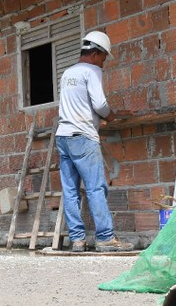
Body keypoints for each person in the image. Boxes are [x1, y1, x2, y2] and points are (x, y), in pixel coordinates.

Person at [55, 30, 133, 253]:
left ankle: (77, 240)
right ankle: (105, 238)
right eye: (104, 57)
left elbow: (78, 103)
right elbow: (99, 104)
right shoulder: (92, 70)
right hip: (83, 137)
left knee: (70, 191)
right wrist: (111, 116)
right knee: (95, 188)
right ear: (96, 54)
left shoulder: (68, 73)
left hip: (63, 136)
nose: (104, 63)